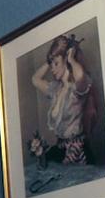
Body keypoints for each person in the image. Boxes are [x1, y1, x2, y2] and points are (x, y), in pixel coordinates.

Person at [31, 34, 97, 164]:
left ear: (66, 60)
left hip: (78, 151)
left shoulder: (77, 88)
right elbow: (35, 79)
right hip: (60, 148)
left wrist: (71, 59)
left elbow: (80, 75)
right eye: (51, 65)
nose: (52, 69)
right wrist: (51, 59)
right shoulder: (55, 89)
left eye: (56, 64)